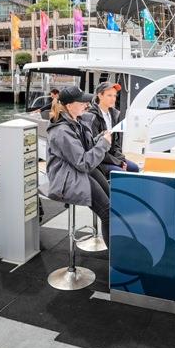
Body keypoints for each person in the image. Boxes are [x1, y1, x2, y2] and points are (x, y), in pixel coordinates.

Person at [46, 86, 112, 246]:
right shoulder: (61, 131)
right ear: (69, 106)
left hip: (77, 170)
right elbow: (84, 162)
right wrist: (103, 145)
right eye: (81, 101)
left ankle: (116, 252)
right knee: (108, 213)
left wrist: (98, 140)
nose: (86, 104)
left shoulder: (76, 122)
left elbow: (83, 150)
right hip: (67, 178)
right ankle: (116, 263)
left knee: (113, 204)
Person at [81, 82, 139, 175]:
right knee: (120, 172)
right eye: (109, 95)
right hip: (98, 160)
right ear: (100, 95)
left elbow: (115, 144)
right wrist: (119, 163)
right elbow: (94, 147)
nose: (113, 99)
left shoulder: (113, 115)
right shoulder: (92, 117)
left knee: (134, 168)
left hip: (111, 157)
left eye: (115, 96)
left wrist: (121, 159)